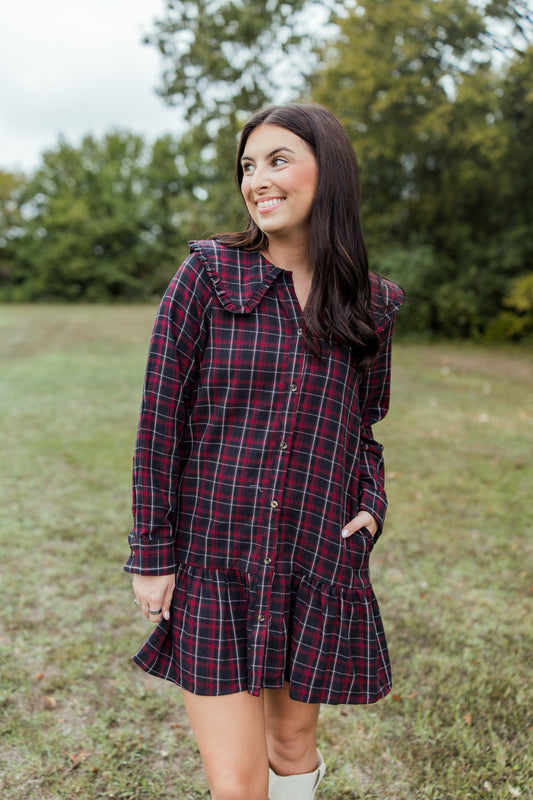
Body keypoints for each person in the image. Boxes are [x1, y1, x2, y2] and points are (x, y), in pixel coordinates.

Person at [125, 102, 404, 800]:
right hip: (213, 559)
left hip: (313, 554)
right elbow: (159, 422)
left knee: (292, 744)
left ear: (328, 172)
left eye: (278, 160)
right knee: (238, 784)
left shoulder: (369, 306)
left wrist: (371, 505)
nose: (257, 180)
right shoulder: (207, 276)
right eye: (248, 166)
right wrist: (153, 554)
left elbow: (363, 429)